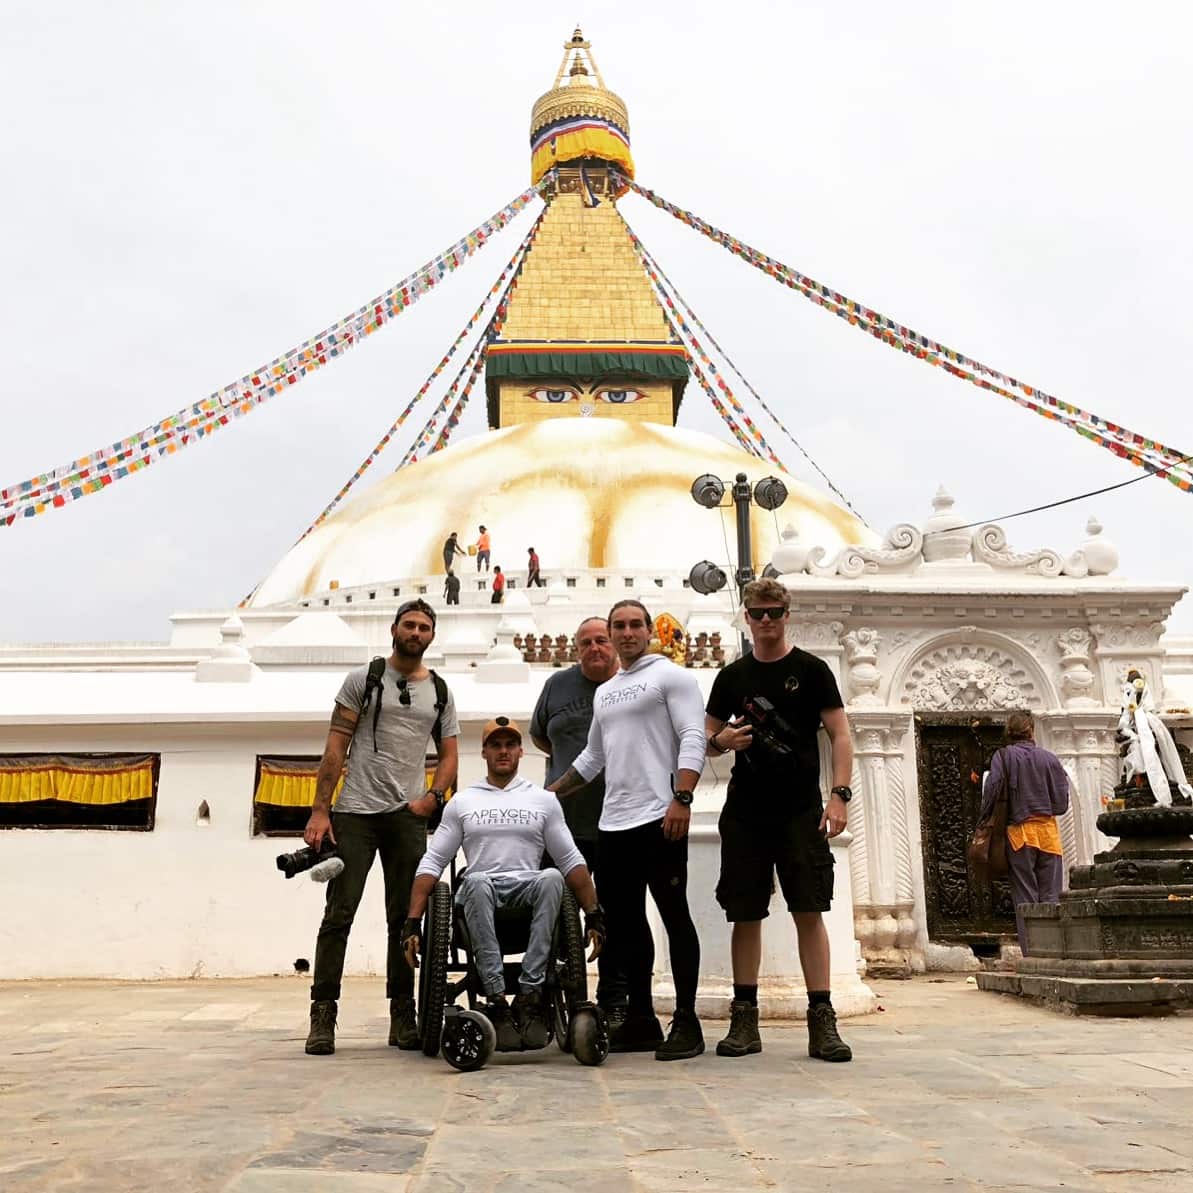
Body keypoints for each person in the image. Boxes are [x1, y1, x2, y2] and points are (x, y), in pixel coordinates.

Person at [704, 577, 855, 1063]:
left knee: (807, 910)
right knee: (744, 913)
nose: (766, 620)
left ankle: (822, 1020)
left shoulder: (811, 671)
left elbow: (840, 735)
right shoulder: (731, 677)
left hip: (800, 810)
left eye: (774, 612)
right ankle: (744, 1018)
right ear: (746, 618)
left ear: (787, 615)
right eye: (757, 613)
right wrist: (723, 742)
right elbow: (705, 736)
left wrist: (839, 796)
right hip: (746, 811)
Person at [549, 600, 707, 1061]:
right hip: (613, 824)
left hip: (660, 816)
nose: (626, 633)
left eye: (635, 624)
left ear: (648, 630)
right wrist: (549, 794)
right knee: (625, 926)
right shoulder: (607, 691)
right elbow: (591, 759)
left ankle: (687, 1021)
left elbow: (693, 737)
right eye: (618, 626)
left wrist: (682, 797)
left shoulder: (671, 677)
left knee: (674, 915)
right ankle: (641, 1019)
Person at [303, 599, 460, 1057]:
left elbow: (449, 754)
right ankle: (324, 1012)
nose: (415, 632)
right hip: (354, 813)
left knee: (405, 918)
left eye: (424, 627)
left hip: (406, 817)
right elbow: (336, 745)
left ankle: (402, 1013)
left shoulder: (441, 691)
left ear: (432, 636)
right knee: (339, 914)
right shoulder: (363, 680)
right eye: (409, 624)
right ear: (394, 629)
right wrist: (320, 810)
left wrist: (432, 798)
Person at [403, 717, 605, 1050]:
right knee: (479, 880)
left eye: (509, 744)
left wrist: (594, 914)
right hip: (481, 896)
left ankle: (530, 995)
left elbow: (571, 860)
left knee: (553, 876)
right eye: (495, 745)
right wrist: (413, 921)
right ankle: (495, 997)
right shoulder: (464, 802)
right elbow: (433, 861)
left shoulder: (542, 800)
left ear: (520, 751)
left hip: (530, 896)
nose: (503, 751)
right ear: (483, 752)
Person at [530, 616, 627, 1023]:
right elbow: (539, 735)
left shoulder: (631, 686)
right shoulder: (556, 686)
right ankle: (552, 997)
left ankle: (615, 999)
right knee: (554, 912)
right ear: (576, 648)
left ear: (614, 645)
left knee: (618, 911)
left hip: (619, 818)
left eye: (602, 640)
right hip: (563, 823)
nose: (595, 648)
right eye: (585, 642)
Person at [979, 710, 1070, 955]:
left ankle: (1032, 953)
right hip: (1048, 834)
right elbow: (1061, 804)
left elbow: (992, 791)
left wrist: (984, 819)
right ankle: (1053, 951)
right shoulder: (1050, 759)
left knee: (1026, 896)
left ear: (1009, 732)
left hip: (1019, 834)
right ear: (1031, 731)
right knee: (1050, 895)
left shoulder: (1003, 757)